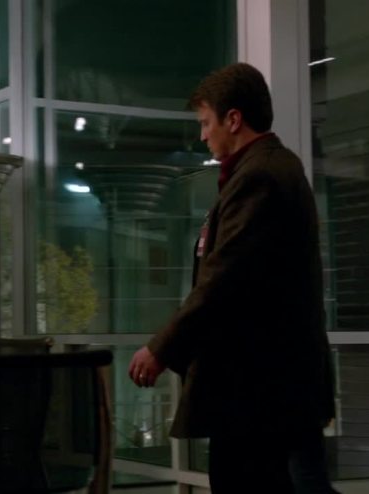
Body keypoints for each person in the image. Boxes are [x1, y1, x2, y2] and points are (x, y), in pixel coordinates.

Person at [128, 63, 337, 493]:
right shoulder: (273, 169)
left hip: (258, 392)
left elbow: (223, 279)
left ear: (234, 119)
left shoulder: (258, 176)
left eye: (207, 122)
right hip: (276, 389)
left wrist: (161, 348)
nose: (203, 135)